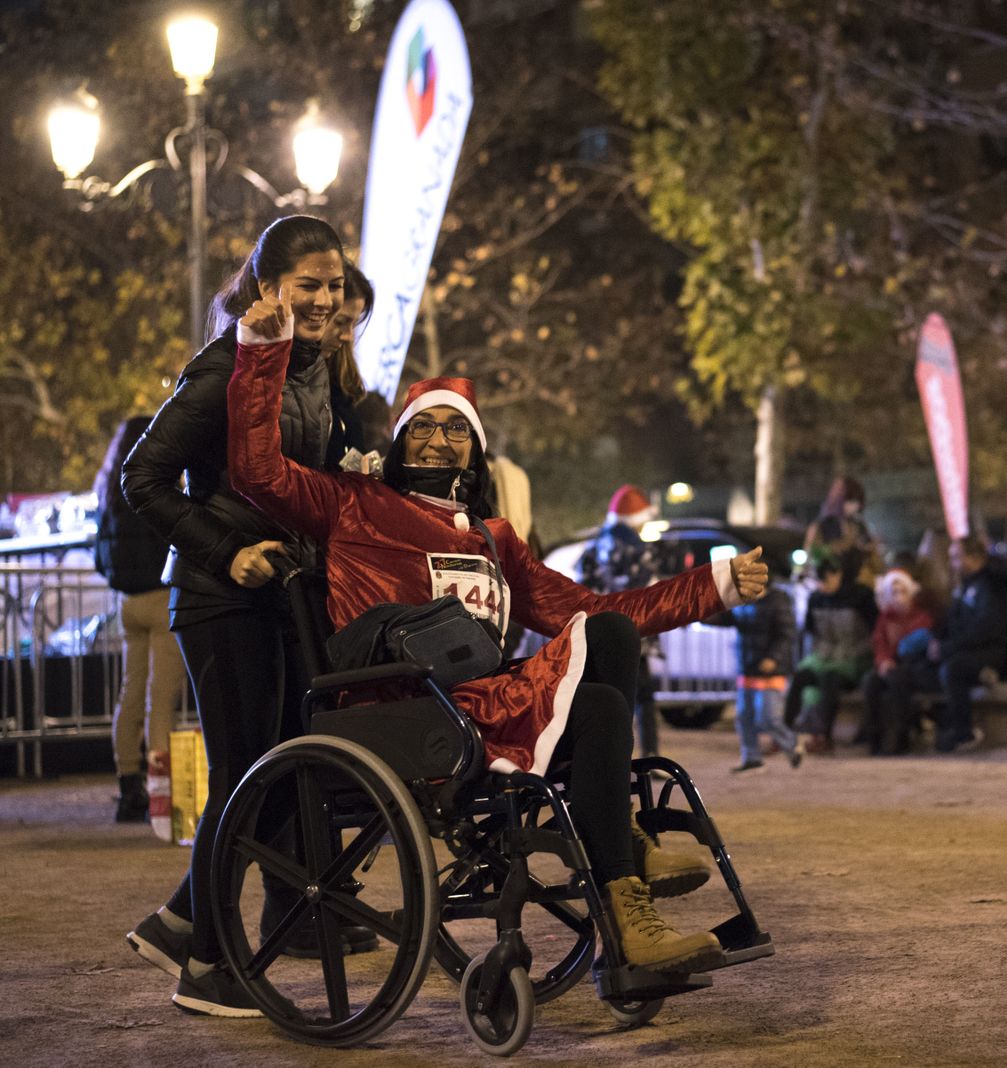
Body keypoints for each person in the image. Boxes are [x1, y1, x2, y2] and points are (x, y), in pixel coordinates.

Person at [225, 297, 771, 991]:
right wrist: (260, 351)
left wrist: (715, 585)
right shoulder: (353, 502)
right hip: (399, 709)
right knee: (598, 671)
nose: (440, 440)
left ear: (477, 450)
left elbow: (594, 610)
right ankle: (626, 854)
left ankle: (628, 926)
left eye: (459, 430)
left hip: (483, 704)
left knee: (603, 688)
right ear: (398, 440)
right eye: (425, 425)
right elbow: (257, 472)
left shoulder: (494, 539)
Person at [120, 215, 368, 1017]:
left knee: (275, 769)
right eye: (310, 286)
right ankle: (208, 966)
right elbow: (143, 476)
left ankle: (184, 918)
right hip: (220, 596)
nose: (328, 300)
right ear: (267, 290)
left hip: (283, 596)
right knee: (242, 775)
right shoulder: (226, 365)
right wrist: (227, 552)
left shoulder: (314, 371)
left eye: (335, 286)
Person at [93, 417, 184, 825]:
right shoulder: (153, 485)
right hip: (162, 599)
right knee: (160, 699)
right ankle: (158, 791)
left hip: (128, 603)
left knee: (130, 694)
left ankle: (127, 784)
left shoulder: (110, 494)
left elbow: (100, 558)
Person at [578, 484, 669, 756]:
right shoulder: (637, 550)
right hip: (633, 631)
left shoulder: (596, 546)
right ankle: (645, 756)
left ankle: (610, 758)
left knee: (610, 698)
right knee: (641, 697)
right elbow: (646, 593)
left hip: (600, 630)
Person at [711, 561, 803, 773]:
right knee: (744, 716)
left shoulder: (779, 602)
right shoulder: (742, 603)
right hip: (748, 667)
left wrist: (774, 658)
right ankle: (752, 757)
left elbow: (787, 634)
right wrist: (699, 614)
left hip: (772, 670)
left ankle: (792, 744)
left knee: (767, 717)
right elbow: (724, 619)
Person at [785, 549, 877, 753]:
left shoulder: (861, 596)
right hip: (824, 656)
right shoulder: (816, 599)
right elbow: (811, 630)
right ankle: (783, 733)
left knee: (830, 678)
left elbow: (874, 632)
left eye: (825, 580)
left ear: (838, 575)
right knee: (801, 677)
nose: (821, 586)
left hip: (855, 658)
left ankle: (824, 737)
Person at [929, 536, 1007, 753]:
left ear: (975, 558)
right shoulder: (964, 586)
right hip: (965, 650)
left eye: (956, 557)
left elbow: (986, 629)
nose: (952, 563)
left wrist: (948, 647)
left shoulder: (990, 586)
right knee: (921, 667)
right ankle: (939, 725)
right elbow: (952, 623)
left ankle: (962, 731)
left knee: (952, 670)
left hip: (991, 652)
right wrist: (938, 643)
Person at [859, 567, 938, 755]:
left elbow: (911, 648)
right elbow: (879, 642)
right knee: (871, 682)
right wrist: (884, 661)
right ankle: (874, 737)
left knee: (897, 681)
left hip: (912, 668)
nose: (899, 597)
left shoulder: (921, 617)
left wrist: (893, 660)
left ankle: (898, 736)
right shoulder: (884, 618)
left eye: (903, 591)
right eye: (893, 592)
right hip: (889, 666)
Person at [322, 260, 377, 472]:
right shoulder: (288, 381)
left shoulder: (340, 384)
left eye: (354, 324)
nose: (348, 336)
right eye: (340, 321)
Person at [805, 476, 880, 583]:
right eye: (850, 500)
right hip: (830, 580)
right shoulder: (821, 526)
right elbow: (813, 555)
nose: (854, 506)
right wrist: (844, 545)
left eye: (857, 502)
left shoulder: (859, 525)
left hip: (856, 580)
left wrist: (868, 547)